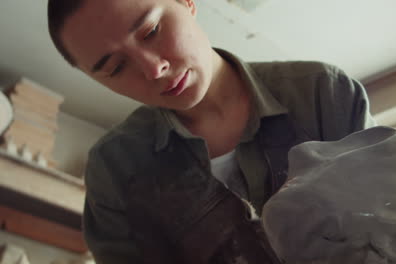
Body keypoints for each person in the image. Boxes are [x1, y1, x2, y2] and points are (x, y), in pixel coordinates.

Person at [47, 0, 375, 263]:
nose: (153, 69)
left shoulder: (323, 94)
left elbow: (393, 228)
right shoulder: (114, 169)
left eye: (151, 31)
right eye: (116, 68)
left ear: (186, 2)